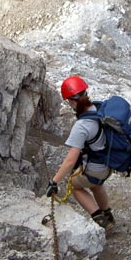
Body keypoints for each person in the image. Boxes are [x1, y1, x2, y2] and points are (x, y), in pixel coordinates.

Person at [45, 75, 115, 231]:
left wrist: (54, 182)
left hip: (95, 169)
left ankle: (101, 220)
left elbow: (70, 160)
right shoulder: (98, 109)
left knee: (74, 185)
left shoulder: (82, 126)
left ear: (71, 101)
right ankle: (107, 214)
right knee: (96, 185)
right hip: (108, 164)